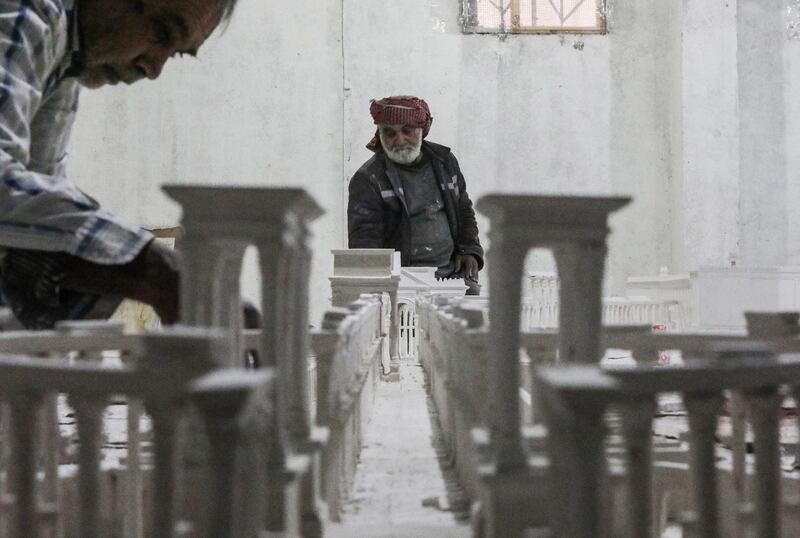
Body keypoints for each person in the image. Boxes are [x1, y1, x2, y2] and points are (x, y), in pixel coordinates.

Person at [0, 0, 240, 329]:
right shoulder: (28, 11)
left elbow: (25, 229)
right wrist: (153, 269)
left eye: (177, 52)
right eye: (162, 31)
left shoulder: (67, 59)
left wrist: (148, 281)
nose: (154, 69)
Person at [347, 95, 484, 294]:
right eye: (389, 133)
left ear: (422, 131)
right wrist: (383, 293)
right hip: (402, 285)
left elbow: (463, 210)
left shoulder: (445, 162)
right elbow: (365, 248)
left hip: (451, 278)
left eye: (407, 131)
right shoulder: (369, 178)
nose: (399, 140)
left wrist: (470, 249)